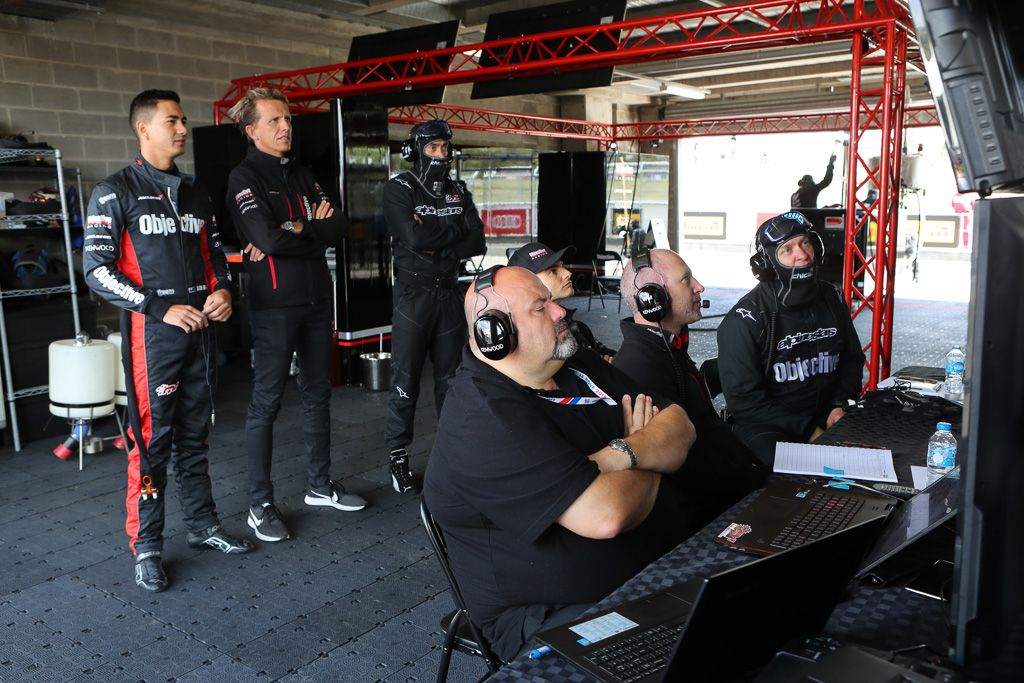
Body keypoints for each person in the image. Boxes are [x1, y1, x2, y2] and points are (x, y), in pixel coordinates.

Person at [424, 265, 697, 661]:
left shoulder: (576, 364)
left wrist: (617, 454)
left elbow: (679, 423)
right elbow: (608, 515)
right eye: (541, 307)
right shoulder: (482, 419)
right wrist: (646, 449)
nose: (560, 313)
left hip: (649, 572)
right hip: (549, 617)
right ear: (494, 334)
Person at [84, 89, 253, 593]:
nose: (183, 129)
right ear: (143, 128)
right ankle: (147, 547)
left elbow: (216, 255)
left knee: (196, 438)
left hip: (201, 336)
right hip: (151, 339)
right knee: (150, 445)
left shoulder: (197, 192)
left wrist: (223, 289)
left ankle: (203, 527)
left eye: (183, 120)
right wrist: (158, 307)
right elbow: (95, 270)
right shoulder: (114, 191)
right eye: (172, 120)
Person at [225, 88, 367, 543]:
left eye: (288, 119)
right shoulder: (243, 178)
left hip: (314, 301)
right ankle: (259, 503)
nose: (286, 127)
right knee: (266, 402)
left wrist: (302, 228)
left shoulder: (303, 173)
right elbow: (268, 239)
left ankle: (318, 486)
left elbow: (340, 225)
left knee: (317, 393)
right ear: (252, 131)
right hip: (273, 307)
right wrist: (311, 228)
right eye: (274, 121)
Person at [615, 248, 767, 522]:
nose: (699, 286)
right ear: (653, 298)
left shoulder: (666, 351)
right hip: (716, 514)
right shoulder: (641, 368)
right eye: (686, 280)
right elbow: (688, 469)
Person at [383, 119, 485, 494]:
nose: (441, 155)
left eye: (445, 148)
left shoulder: (457, 190)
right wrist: (452, 232)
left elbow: (477, 242)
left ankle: (450, 455)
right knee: (405, 379)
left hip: (450, 295)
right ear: (415, 151)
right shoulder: (399, 188)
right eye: (433, 148)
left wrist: (435, 237)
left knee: (450, 380)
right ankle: (397, 457)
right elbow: (410, 235)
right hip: (413, 296)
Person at [717, 211, 866, 466]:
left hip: (827, 415)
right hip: (770, 427)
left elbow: (852, 359)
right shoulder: (744, 320)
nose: (803, 254)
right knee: (794, 469)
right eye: (787, 249)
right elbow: (744, 402)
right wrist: (808, 430)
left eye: (805, 242)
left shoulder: (832, 297)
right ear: (767, 264)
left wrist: (839, 405)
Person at [507, 241, 616, 359]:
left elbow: (607, 354)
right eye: (553, 271)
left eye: (562, 266)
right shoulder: (526, 344)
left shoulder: (578, 328)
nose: (568, 273)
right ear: (525, 283)